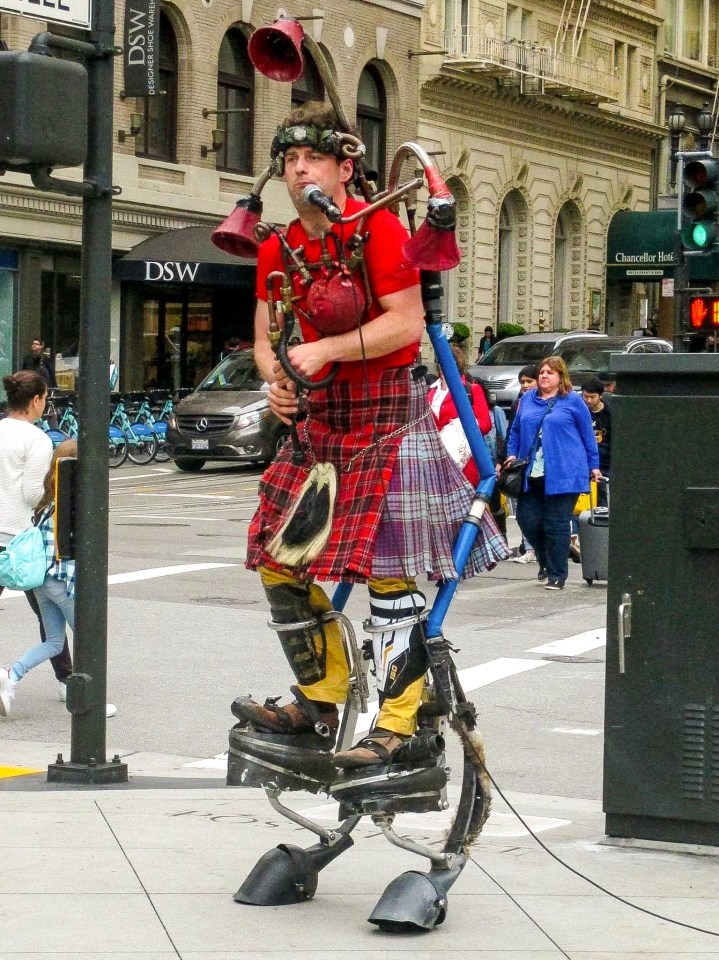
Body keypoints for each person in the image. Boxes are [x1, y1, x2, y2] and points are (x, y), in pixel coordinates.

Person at [237, 101, 508, 768]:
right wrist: (275, 381)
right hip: (321, 426)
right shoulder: (276, 246)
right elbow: (267, 340)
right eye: (291, 159)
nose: (300, 168)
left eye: (314, 159)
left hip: (386, 417)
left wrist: (325, 351)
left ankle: (398, 725)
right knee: (277, 562)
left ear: (342, 167)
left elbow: (405, 325)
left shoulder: (378, 230)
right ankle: (321, 696)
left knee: (389, 575)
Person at [0, 440, 117, 718]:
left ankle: (9, 676)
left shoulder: (48, 500)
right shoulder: (76, 504)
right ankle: (93, 700)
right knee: (89, 640)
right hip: (63, 583)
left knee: (54, 640)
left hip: (42, 583)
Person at [0, 370, 73, 697]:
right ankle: (67, 681)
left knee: (47, 612)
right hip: (22, 541)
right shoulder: (38, 440)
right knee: (48, 612)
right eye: (45, 398)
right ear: (35, 400)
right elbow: (33, 494)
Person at [505, 356, 600, 590]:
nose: (544, 375)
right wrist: (511, 454)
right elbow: (515, 430)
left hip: (565, 472)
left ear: (561, 377)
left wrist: (594, 465)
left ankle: (557, 574)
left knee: (555, 524)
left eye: (550, 372)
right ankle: (546, 560)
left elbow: (588, 435)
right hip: (532, 472)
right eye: (542, 372)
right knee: (528, 520)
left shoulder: (573, 402)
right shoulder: (527, 399)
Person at [428, 343, 492, 488]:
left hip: (464, 463)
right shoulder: (430, 391)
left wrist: (460, 424)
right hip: (435, 460)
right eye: (441, 361)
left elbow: (485, 424)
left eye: (450, 361)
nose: (443, 365)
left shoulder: (471, 390)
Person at [581, 376, 611, 507]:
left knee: (602, 501)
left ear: (600, 395)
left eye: (592, 397)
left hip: (605, 463)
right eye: (585, 396)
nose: (588, 400)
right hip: (583, 462)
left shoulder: (610, 413)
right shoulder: (580, 411)